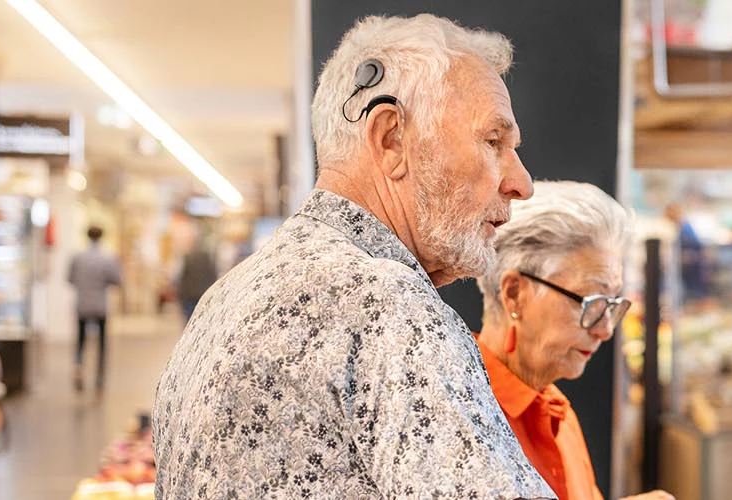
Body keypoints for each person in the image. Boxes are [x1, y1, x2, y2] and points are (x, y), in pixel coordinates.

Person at [152, 14, 552, 499]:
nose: (522, 183)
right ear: (390, 139)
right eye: (493, 142)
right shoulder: (389, 307)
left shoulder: (226, 298)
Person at [475, 181, 673, 500]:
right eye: (590, 302)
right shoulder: (461, 407)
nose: (605, 330)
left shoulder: (557, 412)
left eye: (612, 305)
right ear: (514, 293)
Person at [68, 226, 121, 391]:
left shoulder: (77, 257)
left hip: (82, 304)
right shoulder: (107, 258)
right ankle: (99, 376)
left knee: (81, 340)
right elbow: (116, 280)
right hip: (100, 305)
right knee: (102, 343)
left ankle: (79, 366)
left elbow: (70, 279)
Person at [173, 233, 218, 323]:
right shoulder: (207, 258)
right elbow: (213, 274)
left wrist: (178, 289)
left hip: (189, 294)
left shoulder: (186, 258)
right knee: (202, 318)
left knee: (189, 319)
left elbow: (179, 276)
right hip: (203, 293)